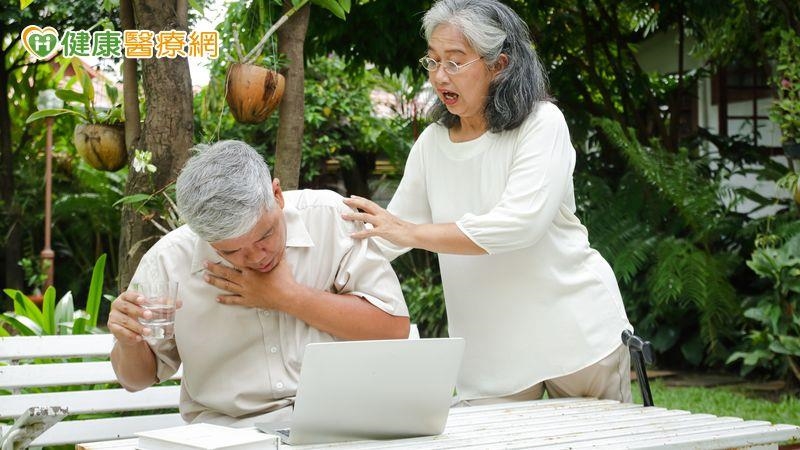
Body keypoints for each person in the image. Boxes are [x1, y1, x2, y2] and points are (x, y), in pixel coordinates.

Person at [343, 0, 632, 404]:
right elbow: (385, 237)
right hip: (491, 356)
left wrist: (412, 232)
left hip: (575, 336)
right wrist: (306, 245)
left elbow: (519, 224)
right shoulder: (431, 145)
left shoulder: (542, 123)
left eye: (455, 61)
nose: (439, 75)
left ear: (499, 64)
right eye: (432, 60)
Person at [109, 140, 409, 426]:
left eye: (265, 235)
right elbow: (136, 381)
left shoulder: (330, 219)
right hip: (228, 435)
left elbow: (393, 329)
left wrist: (289, 297)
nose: (255, 257)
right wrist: (128, 341)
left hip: (343, 424)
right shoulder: (168, 261)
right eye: (230, 251)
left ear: (277, 195)